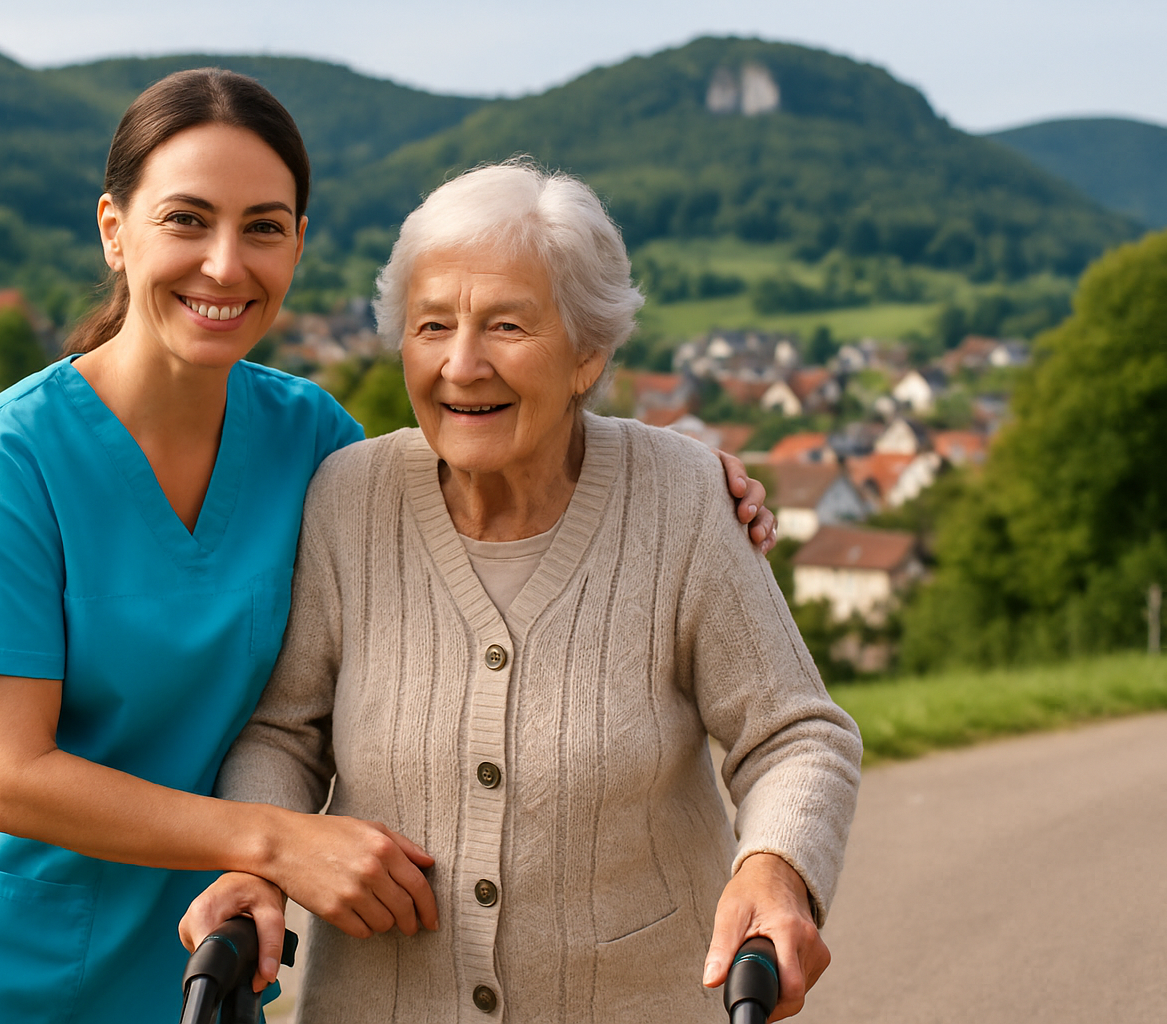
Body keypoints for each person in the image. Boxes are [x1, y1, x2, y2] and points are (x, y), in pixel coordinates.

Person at [0, 72, 777, 1024]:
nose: (225, 264)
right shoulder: (1, 461)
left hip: (211, 936)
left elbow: (485, 439)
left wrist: (674, 474)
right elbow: (12, 780)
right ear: (114, 229)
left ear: (298, 243)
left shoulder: (314, 444)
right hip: (0, 954)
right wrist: (278, 842)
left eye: (263, 226)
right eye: (186, 219)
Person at [187, 160, 862, 1022]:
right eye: (432, 326)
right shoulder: (347, 499)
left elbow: (796, 735)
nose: (462, 365)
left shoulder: (684, 500)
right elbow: (282, 734)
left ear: (588, 354)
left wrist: (775, 866)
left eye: (506, 325)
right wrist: (257, 860)